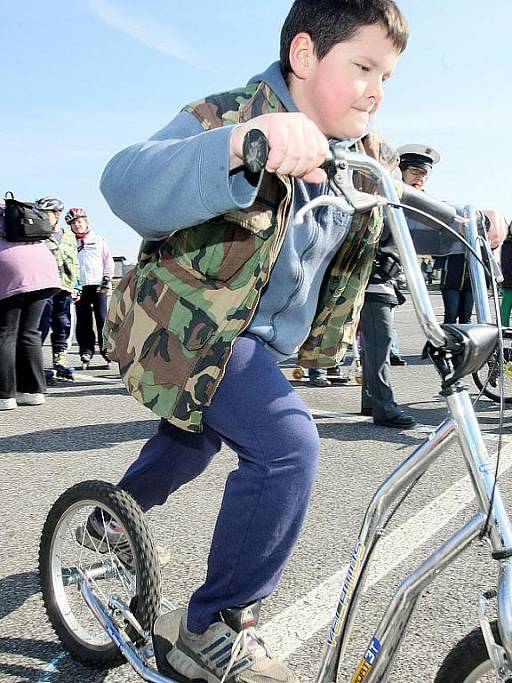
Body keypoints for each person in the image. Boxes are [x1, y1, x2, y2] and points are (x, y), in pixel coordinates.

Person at [97, 3, 410, 681]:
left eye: (387, 74)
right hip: (187, 327)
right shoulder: (233, 113)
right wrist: (243, 143)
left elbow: (406, 223)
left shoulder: (365, 157)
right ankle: (209, 624)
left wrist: (483, 224)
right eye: (362, 66)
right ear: (304, 55)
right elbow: (123, 180)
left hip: (255, 342)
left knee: (191, 438)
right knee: (286, 445)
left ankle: (110, 521)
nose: (378, 88)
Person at [359, 143, 439, 428]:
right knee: (380, 344)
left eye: (425, 174)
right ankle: (383, 407)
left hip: (386, 282)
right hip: (372, 280)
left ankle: (371, 399)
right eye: (415, 171)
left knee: (375, 344)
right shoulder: (385, 196)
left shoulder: (412, 203)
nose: (420, 178)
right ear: (401, 172)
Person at [0, 198, 61, 410]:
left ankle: (4, 395)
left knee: (6, 332)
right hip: (43, 266)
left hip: (10, 267)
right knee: (29, 331)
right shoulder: (13, 207)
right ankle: (33, 391)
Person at [36, 197, 81, 382]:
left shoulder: (69, 236)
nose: (43, 218)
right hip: (45, 287)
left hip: (65, 287)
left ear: (57, 214)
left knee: (62, 324)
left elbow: (75, 262)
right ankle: (33, 362)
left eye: (45, 214)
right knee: (41, 325)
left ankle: (59, 360)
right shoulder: (38, 235)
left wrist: (77, 286)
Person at [66, 208, 114, 367]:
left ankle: (106, 349)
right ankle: (86, 350)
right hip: (80, 287)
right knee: (83, 320)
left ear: (86, 222)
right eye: (73, 224)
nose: (77, 226)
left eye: (79, 222)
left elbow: (108, 261)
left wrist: (107, 279)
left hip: (99, 285)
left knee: (102, 318)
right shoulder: (70, 243)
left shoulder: (98, 240)